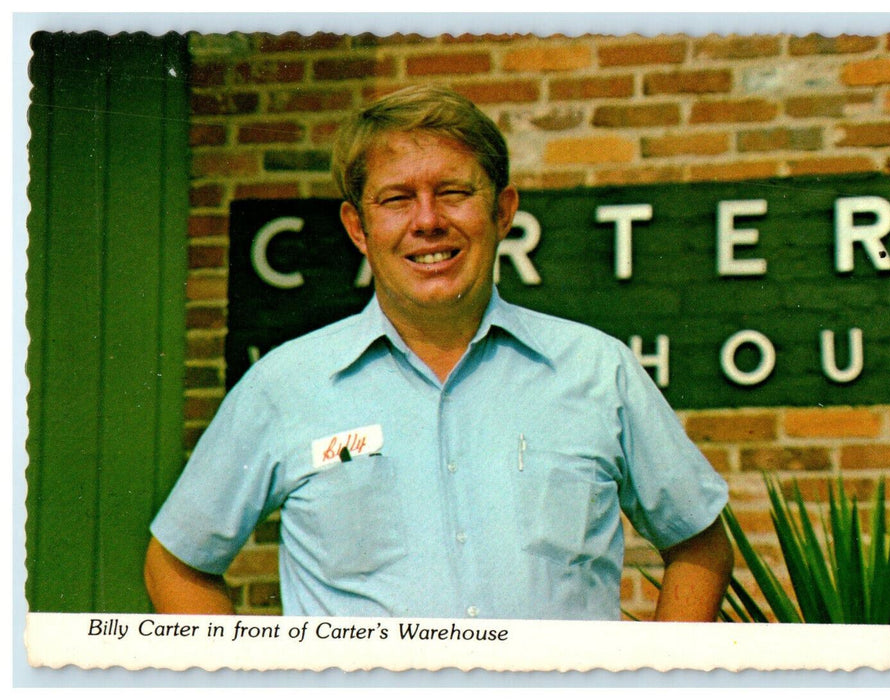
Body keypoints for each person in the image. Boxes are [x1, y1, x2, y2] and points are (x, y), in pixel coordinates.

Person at [145, 84, 733, 621]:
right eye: (397, 199)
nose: (427, 221)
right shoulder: (285, 385)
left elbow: (699, 547)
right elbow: (178, 564)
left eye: (453, 192)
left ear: (502, 212)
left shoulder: (599, 372)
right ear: (358, 227)